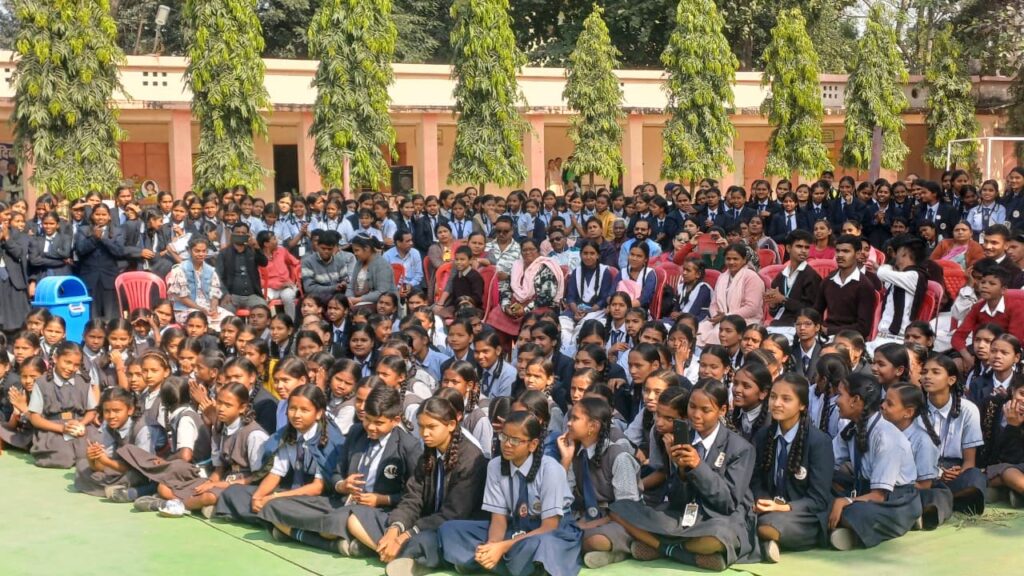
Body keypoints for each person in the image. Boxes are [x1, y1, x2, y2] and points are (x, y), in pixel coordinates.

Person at [611, 379, 759, 570]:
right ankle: (681, 552)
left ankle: (661, 547)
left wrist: (697, 466)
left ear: (722, 410)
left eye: (705, 410)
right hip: (683, 514)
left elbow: (728, 503)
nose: (696, 415)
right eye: (692, 407)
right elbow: (676, 499)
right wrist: (681, 471)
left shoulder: (741, 448)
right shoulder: (681, 436)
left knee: (719, 536)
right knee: (619, 509)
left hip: (717, 518)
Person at [437, 410, 582, 576]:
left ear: (533, 444)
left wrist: (502, 547)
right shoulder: (495, 466)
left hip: (550, 532)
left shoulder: (551, 469)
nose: (506, 444)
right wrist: (492, 545)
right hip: (515, 527)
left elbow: (549, 526)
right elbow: (498, 519)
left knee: (540, 546)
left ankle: (484, 563)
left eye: (515, 440)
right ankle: (506, 563)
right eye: (504, 437)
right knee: (450, 530)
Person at [380, 396, 489, 576]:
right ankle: (404, 553)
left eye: (431, 427)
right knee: (382, 522)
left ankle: (409, 556)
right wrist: (395, 529)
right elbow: (412, 498)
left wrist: (408, 534)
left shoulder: (471, 458)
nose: (425, 433)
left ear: (451, 425)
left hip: (454, 527)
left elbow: (454, 514)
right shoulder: (428, 453)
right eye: (421, 426)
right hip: (426, 522)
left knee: (423, 540)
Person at [829, 374, 920, 551]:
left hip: (894, 499)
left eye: (840, 395)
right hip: (862, 490)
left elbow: (879, 496)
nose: (835, 401)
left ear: (855, 400)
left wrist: (845, 501)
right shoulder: (851, 429)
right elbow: (828, 461)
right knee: (822, 488)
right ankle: (847, 530)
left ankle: (904, 520)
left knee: (853, 512)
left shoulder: (887, 437)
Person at [752, 373, 834, 562]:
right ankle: (767, 544)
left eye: (786, 399)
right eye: (773, 397)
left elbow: (818, 499)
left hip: (801, 515)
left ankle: (763, 541)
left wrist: (783, 507)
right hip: (769, 509)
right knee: (741, 516)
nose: (777, 403)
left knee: (769, 524)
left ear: (802, 405)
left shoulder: (819, 442)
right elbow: (756, 480)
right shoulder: (763, 436)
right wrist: (763, 501)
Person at [555, 396, 642, 569]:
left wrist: (589, 525)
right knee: (552, 531)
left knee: (594, 540)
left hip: (617, 521)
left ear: (593, 426)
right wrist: (565, 460)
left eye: (575, 418)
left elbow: (627, 509)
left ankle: (620, 550)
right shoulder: (574, 453)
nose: (569, 423)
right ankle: (611, 553)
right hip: (584, 516)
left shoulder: (619, 456)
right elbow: (561, 497)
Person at [488, 239, 564, 338]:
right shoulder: (517, 266)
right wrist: (506, 306)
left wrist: (525, 310)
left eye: (531, 249)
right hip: (516, 304)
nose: (528, 252)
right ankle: (502, 346)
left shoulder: (545, 267)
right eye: (524, 250)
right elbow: (506, 288)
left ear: (538, 251)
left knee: (531, 320)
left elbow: (546, 296)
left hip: (539, 306)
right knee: (496, 313)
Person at [696, 244, 765, 347]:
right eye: (728, 259)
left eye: (735, 259)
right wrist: (716, 316)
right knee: (698, 330)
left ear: (744, 260)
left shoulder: (752, 278)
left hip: (745, 321)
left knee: (718, 334)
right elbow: (714, 304)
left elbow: (752, 308)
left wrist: (726, 317)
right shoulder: (722, 277)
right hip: (721, 320)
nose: (731, 262)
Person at [814, 235, 877, 338]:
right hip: (824, 335)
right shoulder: (828, 281)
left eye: (846, 251)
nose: (840, 255)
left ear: (857, 254)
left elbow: (864, 328)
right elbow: (816, 312)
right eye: (837, 251)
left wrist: (830, 331)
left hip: (850, 338)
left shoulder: (865, 286)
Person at [166, 236, 231, 330]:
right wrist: (201, 309)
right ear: (189, 251)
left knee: (229, 320)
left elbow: (214, 295)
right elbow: (183, 298)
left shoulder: (210, 270)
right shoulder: (180, 270)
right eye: (197, 251)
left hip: (207, 308)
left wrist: (213, 308)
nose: (201, 254)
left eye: (204, 251)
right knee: (203, 322)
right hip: (186, 309)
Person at [74, 203, 125, 319]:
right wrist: (94, 238)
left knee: (110, 315)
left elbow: (119, 252)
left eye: (104, 214)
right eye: (97, 214)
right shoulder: (83, 230)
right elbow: (80, 250)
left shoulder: (117, 231)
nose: (100, 217)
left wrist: (103, 238)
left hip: (109, 277)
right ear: (92, 216)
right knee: (92, 316)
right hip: (89, 277)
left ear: (109, 216)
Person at [765, 230, 820, 329]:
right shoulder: (780, 276)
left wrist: (783, 300)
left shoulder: (812, 276)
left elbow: (811, 311)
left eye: (807, 247)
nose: (803, 250)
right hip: (778, 324)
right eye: (799, 246)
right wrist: (773, 304)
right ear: (788, 248)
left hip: (800, 327)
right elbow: (775, 313)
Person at [216, 223, 269, 313]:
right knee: (225, 313)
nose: (240, 235)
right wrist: (225, 294)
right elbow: (217, 277)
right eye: (237, 232)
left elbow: (264, 263)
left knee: (263, 311)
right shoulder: (224, 253)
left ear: (248, 235)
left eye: (243, 233)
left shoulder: (252, 251)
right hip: (231, 296)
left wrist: (257, 247)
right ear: (232, 234)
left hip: (252, 295)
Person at [301, 230, 354, 304]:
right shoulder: (307, 262)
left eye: (329, 249)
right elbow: (309, 288)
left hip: (337, 298)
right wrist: (333, 288)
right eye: (323, 248)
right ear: (318, 246)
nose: (326, 251)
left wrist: (344, 284)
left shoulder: (339, 261)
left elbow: (346, 281)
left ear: (334, 248)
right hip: (317, 300)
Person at [346, 234, 398, 310]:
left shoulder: (382, 265)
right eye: (354, 251)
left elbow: (381, 292)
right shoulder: (359, 263)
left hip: (378, 303)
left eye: (357, 250)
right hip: (356, 300)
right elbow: (351, 285)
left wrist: (358, 300)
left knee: (355, 310)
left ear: (367, 248)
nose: (355, 253)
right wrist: (349, 298)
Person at [384, 230, 425, 297]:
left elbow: (419, 274)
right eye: (407, 241)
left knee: (419, 296)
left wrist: (410, 285)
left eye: (411, 240)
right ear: (398, 243)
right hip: (394, 287)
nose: (411, 243)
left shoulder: (415, 253)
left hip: (412, 286)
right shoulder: (387, 256)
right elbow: (385, 279)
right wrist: (397, 289)